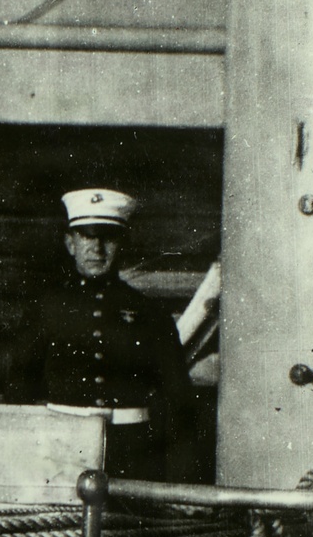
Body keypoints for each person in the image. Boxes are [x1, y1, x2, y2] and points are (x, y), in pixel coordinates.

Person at [11, 187, 197, 480]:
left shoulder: (150, 314)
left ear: (122, 244)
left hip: (132, 454)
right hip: (59, 454)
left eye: (107, 238)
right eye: (86, 236)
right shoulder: (46, 309)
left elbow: (178, 400)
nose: (96, 249)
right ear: (70, 244)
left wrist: (180, 479)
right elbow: (19, 389)